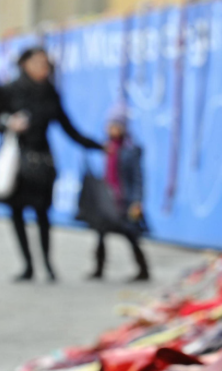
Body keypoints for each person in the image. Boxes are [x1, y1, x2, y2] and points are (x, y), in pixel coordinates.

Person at [0, 47, 103, 282]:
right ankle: (27, 265)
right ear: (24, 64)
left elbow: (68, 127)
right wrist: (8, 123)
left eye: (45, 64)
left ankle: (47, 264)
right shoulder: (9, 91)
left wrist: (97, 145)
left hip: (43, 161)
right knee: (17, 213)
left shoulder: (49, 93)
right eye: (37, 63)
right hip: (17, 161)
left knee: (43, 213)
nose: (42, 68)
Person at [88, 109, 150, 282]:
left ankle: (143, 268)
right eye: (110, 124)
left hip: (124, 200)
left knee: (130, 235)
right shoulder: (108, 147)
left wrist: (137, 201)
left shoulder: (131, 149)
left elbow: (138, 178)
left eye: (116, 125)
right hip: (108, 198)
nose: (111, 128)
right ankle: (99, 268)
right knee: (101, 233)